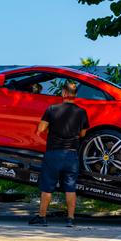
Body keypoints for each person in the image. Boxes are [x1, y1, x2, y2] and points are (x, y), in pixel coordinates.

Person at [29, 80, 89, 227]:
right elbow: (83, 134)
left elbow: (41, 129)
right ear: (75, 95)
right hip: (71, 155)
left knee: (47, 187)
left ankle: (42, 218)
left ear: (63, 93)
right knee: (70, 187)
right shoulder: (81, 112)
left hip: (53, 154)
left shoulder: (52, 109)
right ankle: (70, 219)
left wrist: (51, 128)